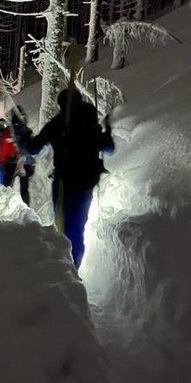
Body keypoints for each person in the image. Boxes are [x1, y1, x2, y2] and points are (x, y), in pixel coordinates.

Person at [28, 88, 114, 269]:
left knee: (63, 228)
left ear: (61, 105)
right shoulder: (90, 124)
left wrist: (22, 132)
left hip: (64, 184)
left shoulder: (58, 124)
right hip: (86, 184)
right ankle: (73, 269)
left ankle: (67, 270)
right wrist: (107, 131)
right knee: (76, 230)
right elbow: (109, 147)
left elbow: (33, 148)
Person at [9, 106, 35, 207]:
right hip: (27, 162)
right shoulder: (27, 129)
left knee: (9, 185)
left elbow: (20, 145)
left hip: (18, 161)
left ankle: (11, 207)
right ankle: (25, 208)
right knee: (24, 187)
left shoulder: (15, 130)